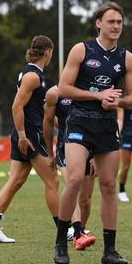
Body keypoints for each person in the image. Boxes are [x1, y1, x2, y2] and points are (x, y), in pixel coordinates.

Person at [53, 2, 132, 264]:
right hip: (79, 122)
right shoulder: (82, 49)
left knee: (109, 185)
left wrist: (117, 103)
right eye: (111, 21)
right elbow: (64, 88)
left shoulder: (127, 58)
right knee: (75, 179)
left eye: (119, 22)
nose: (116, 27)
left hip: (107, 125)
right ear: (98, 23)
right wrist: (96, 95)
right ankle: (61, 242)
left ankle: (110, 250)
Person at [0, 36, 60, 244]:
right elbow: (16, 106)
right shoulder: (33, 76)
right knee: (52, 180)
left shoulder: (33, 74)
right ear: (48, 53)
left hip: (25, 133)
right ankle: (66, 230)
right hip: (29, 134)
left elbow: (38, 107)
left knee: (16, 181)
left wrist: (56, 123)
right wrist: (23, 136)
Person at [43, 85, 96, 251]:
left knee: (85, 200)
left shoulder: (90, 90)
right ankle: (78, 233)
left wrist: (97, 155)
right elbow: (49, 122)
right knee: (72, 187)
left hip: (90, 149)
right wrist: (50, 154)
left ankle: (79, 231)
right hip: (64, 149)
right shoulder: (54, 93)